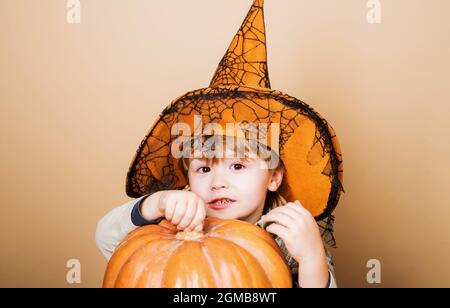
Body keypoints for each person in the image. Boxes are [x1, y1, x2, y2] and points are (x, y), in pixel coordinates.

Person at [97, 0, 344, 288]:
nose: (217, 183)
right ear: (187, 175)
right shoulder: (175, 227)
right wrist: (157, 204)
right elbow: (106, 239)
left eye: (237, 165)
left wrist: (311, 258)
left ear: (274, 177)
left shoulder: (288, 241)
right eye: (203, 169)